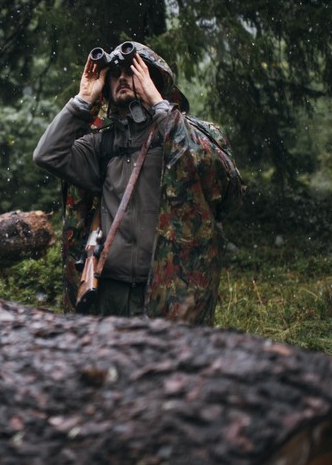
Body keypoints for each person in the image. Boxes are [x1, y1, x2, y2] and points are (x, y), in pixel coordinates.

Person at [33, 42, 244, 325]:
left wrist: (160, 107)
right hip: (110, 290)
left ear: (152, 79)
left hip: (171, 294)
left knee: (166, 367)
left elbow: (218, 180)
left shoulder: (185, 136)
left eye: (131, 70)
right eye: (114, 73)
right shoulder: (102, 144)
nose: (122, 77)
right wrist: (83, 99)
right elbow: (47, 155)